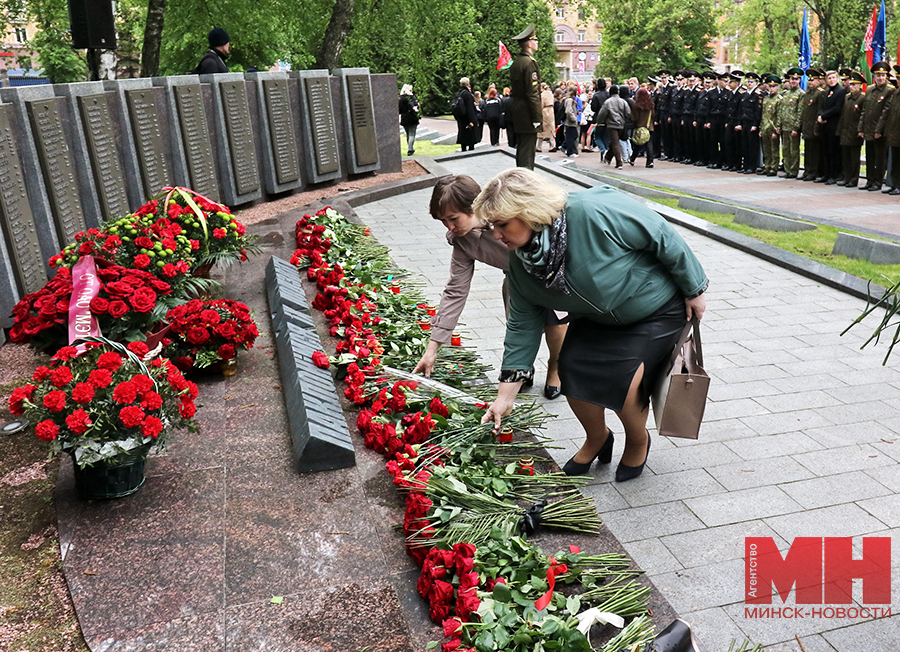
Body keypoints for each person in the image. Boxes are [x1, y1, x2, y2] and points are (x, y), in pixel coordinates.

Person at [474, 168, 708, 482]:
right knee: (570, 367)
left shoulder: (591, 211)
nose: (496, 235)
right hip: (596, 318)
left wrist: (694, 288)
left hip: (653, 307)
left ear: (529, 212)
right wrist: (505, 397)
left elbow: (660, 234)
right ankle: (597, 437)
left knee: (625, 381)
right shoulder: (522, 263)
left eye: (502, 224)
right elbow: (522, 325)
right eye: (492, 227)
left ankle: (638, 440)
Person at [413, 175, 568, 399]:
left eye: (453, 218)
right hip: (516, 282)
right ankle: (524, 369)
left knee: (556, 326)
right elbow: (456, 290)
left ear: (472, 207)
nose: (450, 227)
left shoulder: (505, 215)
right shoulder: (462, 240)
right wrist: (433, 347)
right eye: (443, 221)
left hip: (547, 273)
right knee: (519, 328)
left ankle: (555, 369)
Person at [509, 24, 542, 169]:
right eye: (535, 40)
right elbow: (532, 93)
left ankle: (522, 178)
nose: (537, 42)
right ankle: (525, 181)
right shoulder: (529, 63)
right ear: (529, 44)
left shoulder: (517, 62)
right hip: (527, 112)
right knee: (528, 150)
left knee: (522, 147)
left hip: (518, 109)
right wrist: (536, 117)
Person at [858, 61, 895, 191]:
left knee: (879, 158)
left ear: (886, 76)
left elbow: (885, 112)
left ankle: (878, 181)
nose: (880, 78)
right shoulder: (869, 89)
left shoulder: (890, 90)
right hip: (868, 128)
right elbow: (864, 110)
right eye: (878, 75)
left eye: (883, 75)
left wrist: (878, 130)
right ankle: (869, 180)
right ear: (874, 76)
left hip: (880, 131)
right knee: (870, 156)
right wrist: (861, 128)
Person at [817, 70, 846, 184]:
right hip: (824, 125)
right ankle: (826, 173)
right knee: (826, 151)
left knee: (834, 151)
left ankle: (834, 175)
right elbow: (821, 106)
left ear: (837, 78)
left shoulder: (841, 91)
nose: (832, 80)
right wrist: (820, 115)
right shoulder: (826, 92)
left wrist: (824, 116)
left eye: (834, 78)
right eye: (829, 78)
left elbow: (838, 108)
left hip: (834, 125)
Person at [839, 71, 866, 189]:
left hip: (855, 131)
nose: (852, 86)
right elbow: (843, 115)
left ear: (860, 85)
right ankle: (847, 177)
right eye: (851, 84)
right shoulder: (847, 97)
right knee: (846, 156)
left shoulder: (862, 98)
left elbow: (863, 116)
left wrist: (860, 130)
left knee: (854, 157)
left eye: (854, 84)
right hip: (845, 130)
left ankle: (854, 179)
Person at [778, 68, 805, 179]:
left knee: (794, 150)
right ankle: (787, 169)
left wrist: (796, 127)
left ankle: (793, 171)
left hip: (793, 126)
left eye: (796, 79)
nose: (793, 81)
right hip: (784, 126)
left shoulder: (801, 94)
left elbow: (800, 112)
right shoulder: (786, 94)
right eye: (791, 79)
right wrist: (779, 125)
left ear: (799, 80)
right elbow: (781, 110)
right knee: (785, 149)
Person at [595, 84, 630, 168]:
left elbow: (602, 113)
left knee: (615, 143)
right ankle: (608, 158)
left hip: (611, 124)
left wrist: (599, 121)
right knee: (614, 142)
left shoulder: (608, 102)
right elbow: (628, 113)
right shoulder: (623, 101)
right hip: (621, 124)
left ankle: (619, 162)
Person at [799, 68, 825, 181]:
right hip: (806, 126)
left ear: (818, 81)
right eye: (809, 80)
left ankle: (813, 171)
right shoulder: (807, 94)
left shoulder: (820, 94)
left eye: (813, 80)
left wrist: (816, 128)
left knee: (814, 151)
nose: (810, 82)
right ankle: (807, 170)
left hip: (814, 126)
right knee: (807, 150)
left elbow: (819, 111)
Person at [760, 75, 781, 176]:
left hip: (773, 128)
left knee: (774, 149)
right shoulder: (766, 99)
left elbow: (779, 115)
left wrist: (776, 129)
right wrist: (761, 128)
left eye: (774, 86)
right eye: (770, 86)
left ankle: (774, 168)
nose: (772, 88)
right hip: (765, 127)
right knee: (766, 149)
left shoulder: (779, 99)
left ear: (778, 87)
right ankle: (767, 166)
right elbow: (763, 114)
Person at [630, 86, 655, 167]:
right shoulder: (651, 104)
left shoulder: (636, 105)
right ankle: (650, 161)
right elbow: (653, 115)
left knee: (637, 143)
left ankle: (632, 159)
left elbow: (635, 117)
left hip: (639, 127)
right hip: (649, 127)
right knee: (649, 144)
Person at [455, 78, 478, 152]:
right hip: (467, 119)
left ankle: (463, 151)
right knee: (471, 138)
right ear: (468, 84)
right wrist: (472, 120)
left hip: (461, 118)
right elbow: (470, 108)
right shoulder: (467, 94)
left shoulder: (458, 93)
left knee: (463, 138)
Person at [398, 84, 420, 157]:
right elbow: (417, 106)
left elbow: (399, 110)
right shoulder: (411, 97)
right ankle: (410, 149)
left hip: (404, 117)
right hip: (412, 117)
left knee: (408, 134)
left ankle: (410, 148)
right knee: (412, 134)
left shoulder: (401, 99)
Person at [563, 85, 580, 158]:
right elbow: (568, 111)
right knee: (573, 135)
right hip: (570, 122)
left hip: (569, 121)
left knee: (572, 135)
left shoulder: (568, 99)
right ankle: (569, 151)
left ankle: (565, 146)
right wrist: (574, 118)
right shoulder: (569, 100)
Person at [539, 82, 555, 152]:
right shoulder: (551, 94)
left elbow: (541, 104)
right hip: (551, 110)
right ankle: (552, 145)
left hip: (545, 111)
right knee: (551, 128)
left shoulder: (542, 95)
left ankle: (538, 146)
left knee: (542, 130)